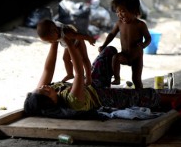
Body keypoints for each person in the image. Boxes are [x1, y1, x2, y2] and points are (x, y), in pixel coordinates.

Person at [24, 34, 180, 119]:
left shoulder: (45, 91)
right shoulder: (72, 101)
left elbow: (47, 69)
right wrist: (68, 43)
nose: (44, 87)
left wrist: (54, 41)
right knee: (143, 96)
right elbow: (78, 72)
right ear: (52, 101)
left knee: (109, 51)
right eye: (45, 91)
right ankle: (174, 98)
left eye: (40, 88)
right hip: (103, 97)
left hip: (93, 84)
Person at [98, 0, 151, 89]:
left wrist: (143, 45)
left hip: (136, 57)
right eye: (117, 12)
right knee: (115, 58)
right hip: (125, 55)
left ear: (134, 10)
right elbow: (111, 34)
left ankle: (140, 95)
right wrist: (104, 45)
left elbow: (148, 38)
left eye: (122, 11)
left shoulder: (140, 25)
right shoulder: (119, 23)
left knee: (136, 79)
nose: (119, 15)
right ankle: (117, 78)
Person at [37, 19, 96, 84]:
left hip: (77, 41)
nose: (51, 42)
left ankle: (88, 76)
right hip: (68, 44)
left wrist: (89, 38)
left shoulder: (67, 32)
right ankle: (70, 74)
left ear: (55, 31)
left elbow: (79, 35)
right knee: (65, 59)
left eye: (51, 39)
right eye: (48, 41)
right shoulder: (54, 30)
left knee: (84, 58)